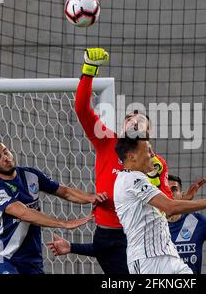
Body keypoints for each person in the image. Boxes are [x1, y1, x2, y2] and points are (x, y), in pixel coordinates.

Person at [66, 47, 192, 274]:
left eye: (140, 120)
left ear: (148, 132)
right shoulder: (107, 141)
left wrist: (155, 178)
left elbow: (167, 208)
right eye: (128, 119)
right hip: (110, 236)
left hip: (141, 240)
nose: (133, 122)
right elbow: (82, 109)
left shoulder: (155, 162)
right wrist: (88, 70)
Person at [113, 137, 206, 274]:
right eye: (148, 150)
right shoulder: (130, 179)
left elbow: (164, 213)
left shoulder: (138, 179)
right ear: (132, 156)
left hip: (169, 256)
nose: (152, 154)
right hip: (148, 261)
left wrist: (184, 200)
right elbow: (170, 207)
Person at [0, 137, 107, 274]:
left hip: (32, 259)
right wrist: (63, 223)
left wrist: (90, 197)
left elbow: (64, 191)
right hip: (4, 258)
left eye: (5, 152)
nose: (5, 158)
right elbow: (24, 213)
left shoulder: (31, 175)